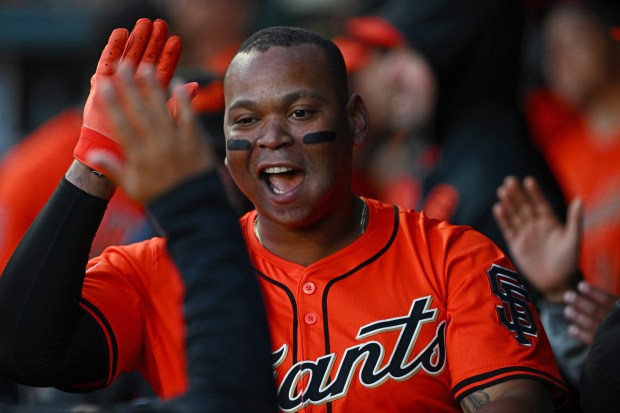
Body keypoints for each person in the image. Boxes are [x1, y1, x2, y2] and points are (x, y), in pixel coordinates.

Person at [0, 18, 568, 412]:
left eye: (300, 112)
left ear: (356, 122)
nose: (272, 138)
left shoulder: (453, 257)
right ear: (223, 147)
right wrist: (92, 164)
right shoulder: (164, 272)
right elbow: (24, 350)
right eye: (244, 121)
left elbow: (515, 401)